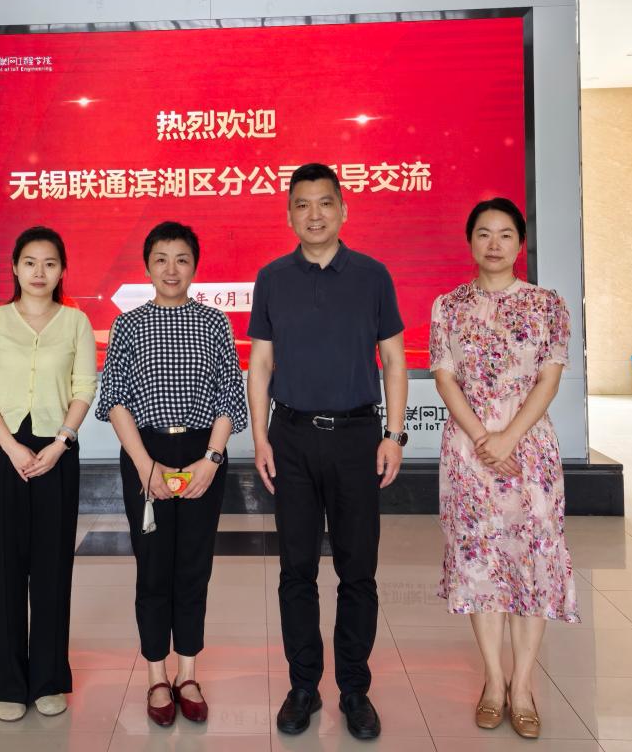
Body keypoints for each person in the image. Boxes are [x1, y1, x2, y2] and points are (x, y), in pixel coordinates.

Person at [247, 163, 408, 741]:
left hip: (357, 437)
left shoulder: (373, 275)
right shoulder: (272, 278)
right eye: (302, 204)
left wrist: (394, 435)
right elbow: (260, 364)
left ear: (343, 209)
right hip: (290, 437)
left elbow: (394, 361)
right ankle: (303, 686)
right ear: (289, 214)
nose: (313, 214)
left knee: (357, 569)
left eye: (324, 203)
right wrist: (260, 437)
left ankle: (355, 690)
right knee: (296, 569)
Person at [429, 198, 579, 740]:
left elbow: (549, 379)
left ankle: (524, 685)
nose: (494, 244)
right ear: (470, 240)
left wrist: (508, 437)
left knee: (531, 563)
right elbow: (445, 377)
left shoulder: (547, 305)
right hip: (469, 454)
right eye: (484, 234)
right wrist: (481, 439)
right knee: (480, 563)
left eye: (506, 234)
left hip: (529, 451)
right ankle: (494, 682)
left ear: (520, 243)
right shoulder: (448, 306)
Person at [96, 221, 247, 727]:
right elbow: (115, 398)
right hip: (147, 452)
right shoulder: (128, 325)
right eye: (161, 259)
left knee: (194, 567)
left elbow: (230, 395)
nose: (171, 269)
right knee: (153, 567)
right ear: (147, 267)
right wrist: (145, 465)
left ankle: (188, 674)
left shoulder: (215, 322)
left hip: (203, 452)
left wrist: (213, 458)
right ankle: (157, 676)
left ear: (195, 267)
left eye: (181, 258)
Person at [0, 226, 97, 722]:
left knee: (51, 568)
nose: (39, 272)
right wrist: (11, 447)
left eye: (49, 263)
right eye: (30, 262)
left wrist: (61, 443)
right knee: (2, 569)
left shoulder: (76, 323)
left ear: (62, 271)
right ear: (15, 268)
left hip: (57, 452)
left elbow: (84, 387)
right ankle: (7, 682)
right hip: (2, 451)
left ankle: (48, 679)